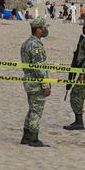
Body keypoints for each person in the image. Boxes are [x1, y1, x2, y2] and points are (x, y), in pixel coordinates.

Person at [20, 18, 52, 147]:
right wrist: (45, 85)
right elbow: (39, 67)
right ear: (38, 29)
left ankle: (26, 136)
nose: (45, 30)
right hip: (36, 83)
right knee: (37, 111)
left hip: (29, 81)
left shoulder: (27, 43)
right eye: (43, 28)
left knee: (32, 109)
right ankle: (33, 138)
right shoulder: (35, 45)